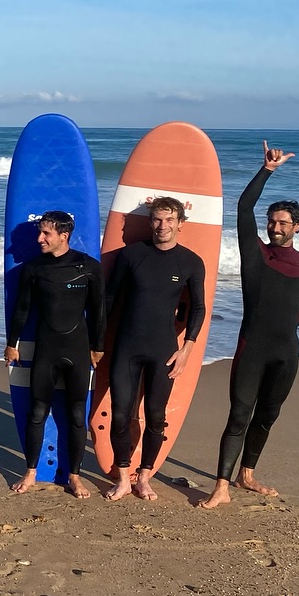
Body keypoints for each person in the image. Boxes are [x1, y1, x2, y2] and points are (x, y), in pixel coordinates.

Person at [201, 143, 299, 509]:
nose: (276, 226)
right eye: (273, 221)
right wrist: (267, 170)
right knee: (239, 413)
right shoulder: (256, 254)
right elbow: (243, 208)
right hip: (252, 347)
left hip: (286, 352)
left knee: (268, 414)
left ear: (296, 227)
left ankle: (246, 473)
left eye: (284, 222)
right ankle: (221, 485)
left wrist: (286, 325)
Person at [101, 197, 207, 502]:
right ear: (150, 222)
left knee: (156, 416)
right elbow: (109, 300)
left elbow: (198, 308)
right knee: (121, 415)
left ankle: (144, 476)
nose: (163, 226)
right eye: (157, 220)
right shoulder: (131, 255)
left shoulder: (190, 261)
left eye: (169, 220)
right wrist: (95, 342)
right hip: (126, 347)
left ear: (180, 223)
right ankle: (123, 478)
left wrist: (186, 349)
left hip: (164, 349)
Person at [5, 210, 105, 499]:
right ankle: (31, 472)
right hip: (46, 349)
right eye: (39, 232)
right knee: (37, 412)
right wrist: (12, 343)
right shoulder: (34, 268)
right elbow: (21, 309)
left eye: (46, 233)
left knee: (76, 415)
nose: (40, 238)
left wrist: (98, 347)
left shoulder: (89, 267)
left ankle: (74, 476)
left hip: (78, 348)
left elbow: (98, 311)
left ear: (64, 235)